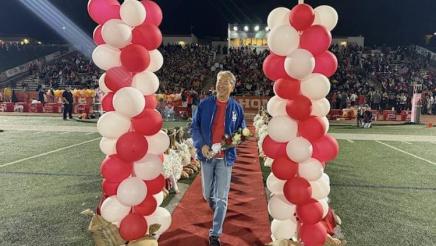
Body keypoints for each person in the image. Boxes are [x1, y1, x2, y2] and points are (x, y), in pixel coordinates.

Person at [191, 71, 246, 246]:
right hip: (206, 157)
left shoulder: (237, 108)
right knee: (208, 195)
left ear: (232, 86)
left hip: (225, 158)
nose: (221, 85)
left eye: (225, 82)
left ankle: (215, 234)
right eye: (218, 82)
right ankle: (215, 205)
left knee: (222, 197)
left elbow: (243, 133)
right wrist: (202, 145)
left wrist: (225, 144)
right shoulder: (204, 104)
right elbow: (194, 127)